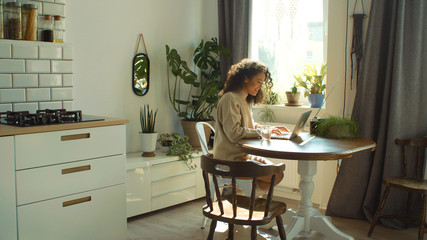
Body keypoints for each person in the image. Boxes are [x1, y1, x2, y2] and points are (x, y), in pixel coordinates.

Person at [213, 58, 288, 191]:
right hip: (229, 160)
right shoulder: (230, 98)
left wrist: (269, 129)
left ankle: (240, 197)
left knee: (278, 173)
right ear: (246, 78)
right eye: (258, 82)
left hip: (242, 155)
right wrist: (262, 133)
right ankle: (241, 198)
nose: (260, 87)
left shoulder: (245, 100)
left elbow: (250, 127)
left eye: (262, 83)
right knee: (274, 175)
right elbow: (234, 133)